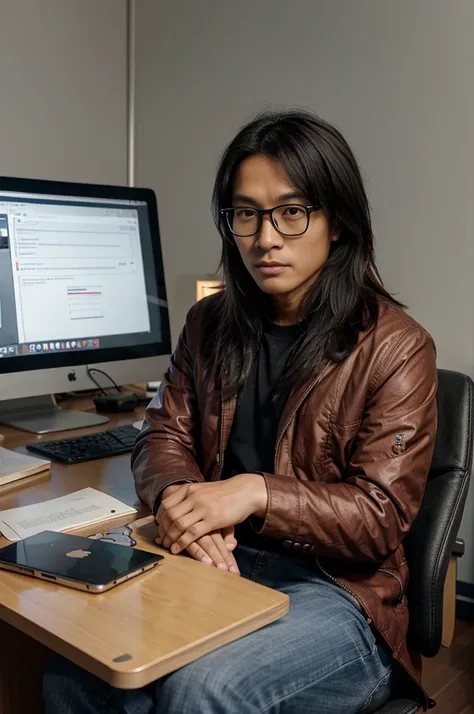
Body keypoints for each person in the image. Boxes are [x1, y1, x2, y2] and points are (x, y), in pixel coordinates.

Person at [43, 110, 437, 714]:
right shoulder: (210, 323)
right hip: (216, 562)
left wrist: (255, 492)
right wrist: (181, 500)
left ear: (337, 222)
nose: (266, 237)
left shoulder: (396, 345)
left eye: (292, 210)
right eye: (246, 213)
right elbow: (161, 435)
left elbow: (380, 517)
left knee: (203, 687)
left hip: (338, 594)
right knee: (80, 665)